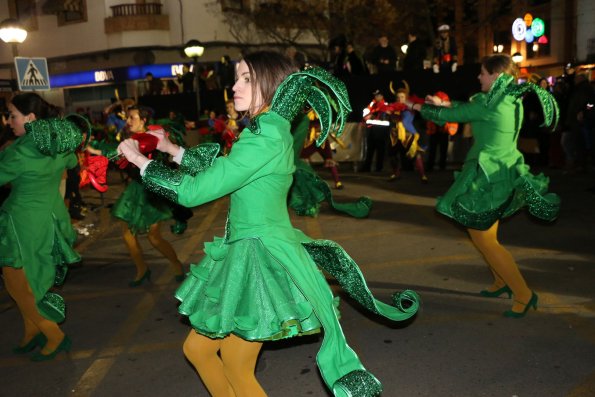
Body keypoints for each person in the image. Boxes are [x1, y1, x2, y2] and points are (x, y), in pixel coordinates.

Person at [118, 51, 419, 396]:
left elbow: (193, 193)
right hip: (246, 252)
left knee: (233, 366)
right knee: (199, 351)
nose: (234, 86)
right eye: (236, 78)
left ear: (272, 85)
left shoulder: (265, 138)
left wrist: (141, 161)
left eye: (246, 78)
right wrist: (173, 149)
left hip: (260, 260)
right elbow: (227, 173)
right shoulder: (266, 131)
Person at [410, 53, 560, 317]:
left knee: (483, 238)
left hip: (491, 176)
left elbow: (460, 113)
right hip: (503, 169)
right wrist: (443, 102)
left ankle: (524, 294)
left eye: (483, 73)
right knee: (484, 234)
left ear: (496, 75)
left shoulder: (492, 105)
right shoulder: (508, 98)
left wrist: (417, 107)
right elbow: (467, 108)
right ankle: (502, 281)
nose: (479, 77)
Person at [0, 93, 83, 361]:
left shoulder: (20, 150)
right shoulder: (57, 145)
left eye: (13, 115)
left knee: (17, 285)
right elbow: (72, 163)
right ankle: (30, 330)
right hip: (50, 219)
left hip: (22, 224)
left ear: (31, 118)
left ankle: (53, 334)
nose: (8, 120)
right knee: (31, 283)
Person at [110, 106, 185, 285]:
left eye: (132, 118)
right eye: (128, 118)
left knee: (154, 237)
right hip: (135, 190)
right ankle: (142, 269)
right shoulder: (130, 139)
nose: (128, 122)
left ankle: (176, 265)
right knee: (127, 234)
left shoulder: (153, 138)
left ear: (143, 120)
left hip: (151, 192)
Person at [387, 87, 428, 183]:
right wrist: (387, 113)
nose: (400, 99)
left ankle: (423, 175)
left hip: (408, 135)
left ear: (406, 98)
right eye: (398, 97)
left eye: (402, 97)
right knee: (392, 155)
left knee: (416, 155)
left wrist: (394, 115)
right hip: (395, 136)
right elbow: (388, 118)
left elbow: (405, 119)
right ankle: (395, 174)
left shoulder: (409, 108)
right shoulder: (393, 107)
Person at [362, 89, 392, 172]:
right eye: (375, 95)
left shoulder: (385, 105)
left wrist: (371, 115)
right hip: (372, 130)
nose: (376, 97)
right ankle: (367, 167)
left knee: (380, 151)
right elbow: (366, 114)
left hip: (381, 131)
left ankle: (379, 168)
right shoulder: (373, 104)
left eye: (378, 95)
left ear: (382, 96)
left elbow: (385, 118)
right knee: (370, 150)